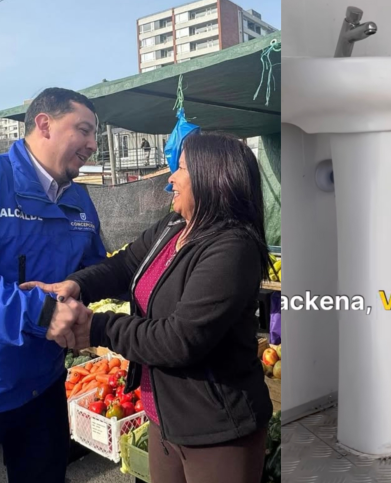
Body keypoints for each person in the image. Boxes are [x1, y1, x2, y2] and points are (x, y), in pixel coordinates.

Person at [23, 132, 273, 483]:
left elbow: (178, 339)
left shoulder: (232, 248)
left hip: (216, 429)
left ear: (211, 177)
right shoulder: (174, 227)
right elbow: (125, 264)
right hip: (163, 418)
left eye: (181, 168)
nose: (171, 177)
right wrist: (77, 285)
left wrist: (96, 327)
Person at [0, 87, 107, 483]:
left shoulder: (80, 200)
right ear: (44, 124)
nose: (93, 145)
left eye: (95, 134)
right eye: (83, 130)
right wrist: (42, 313)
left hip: (43, 385)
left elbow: (93, 268)